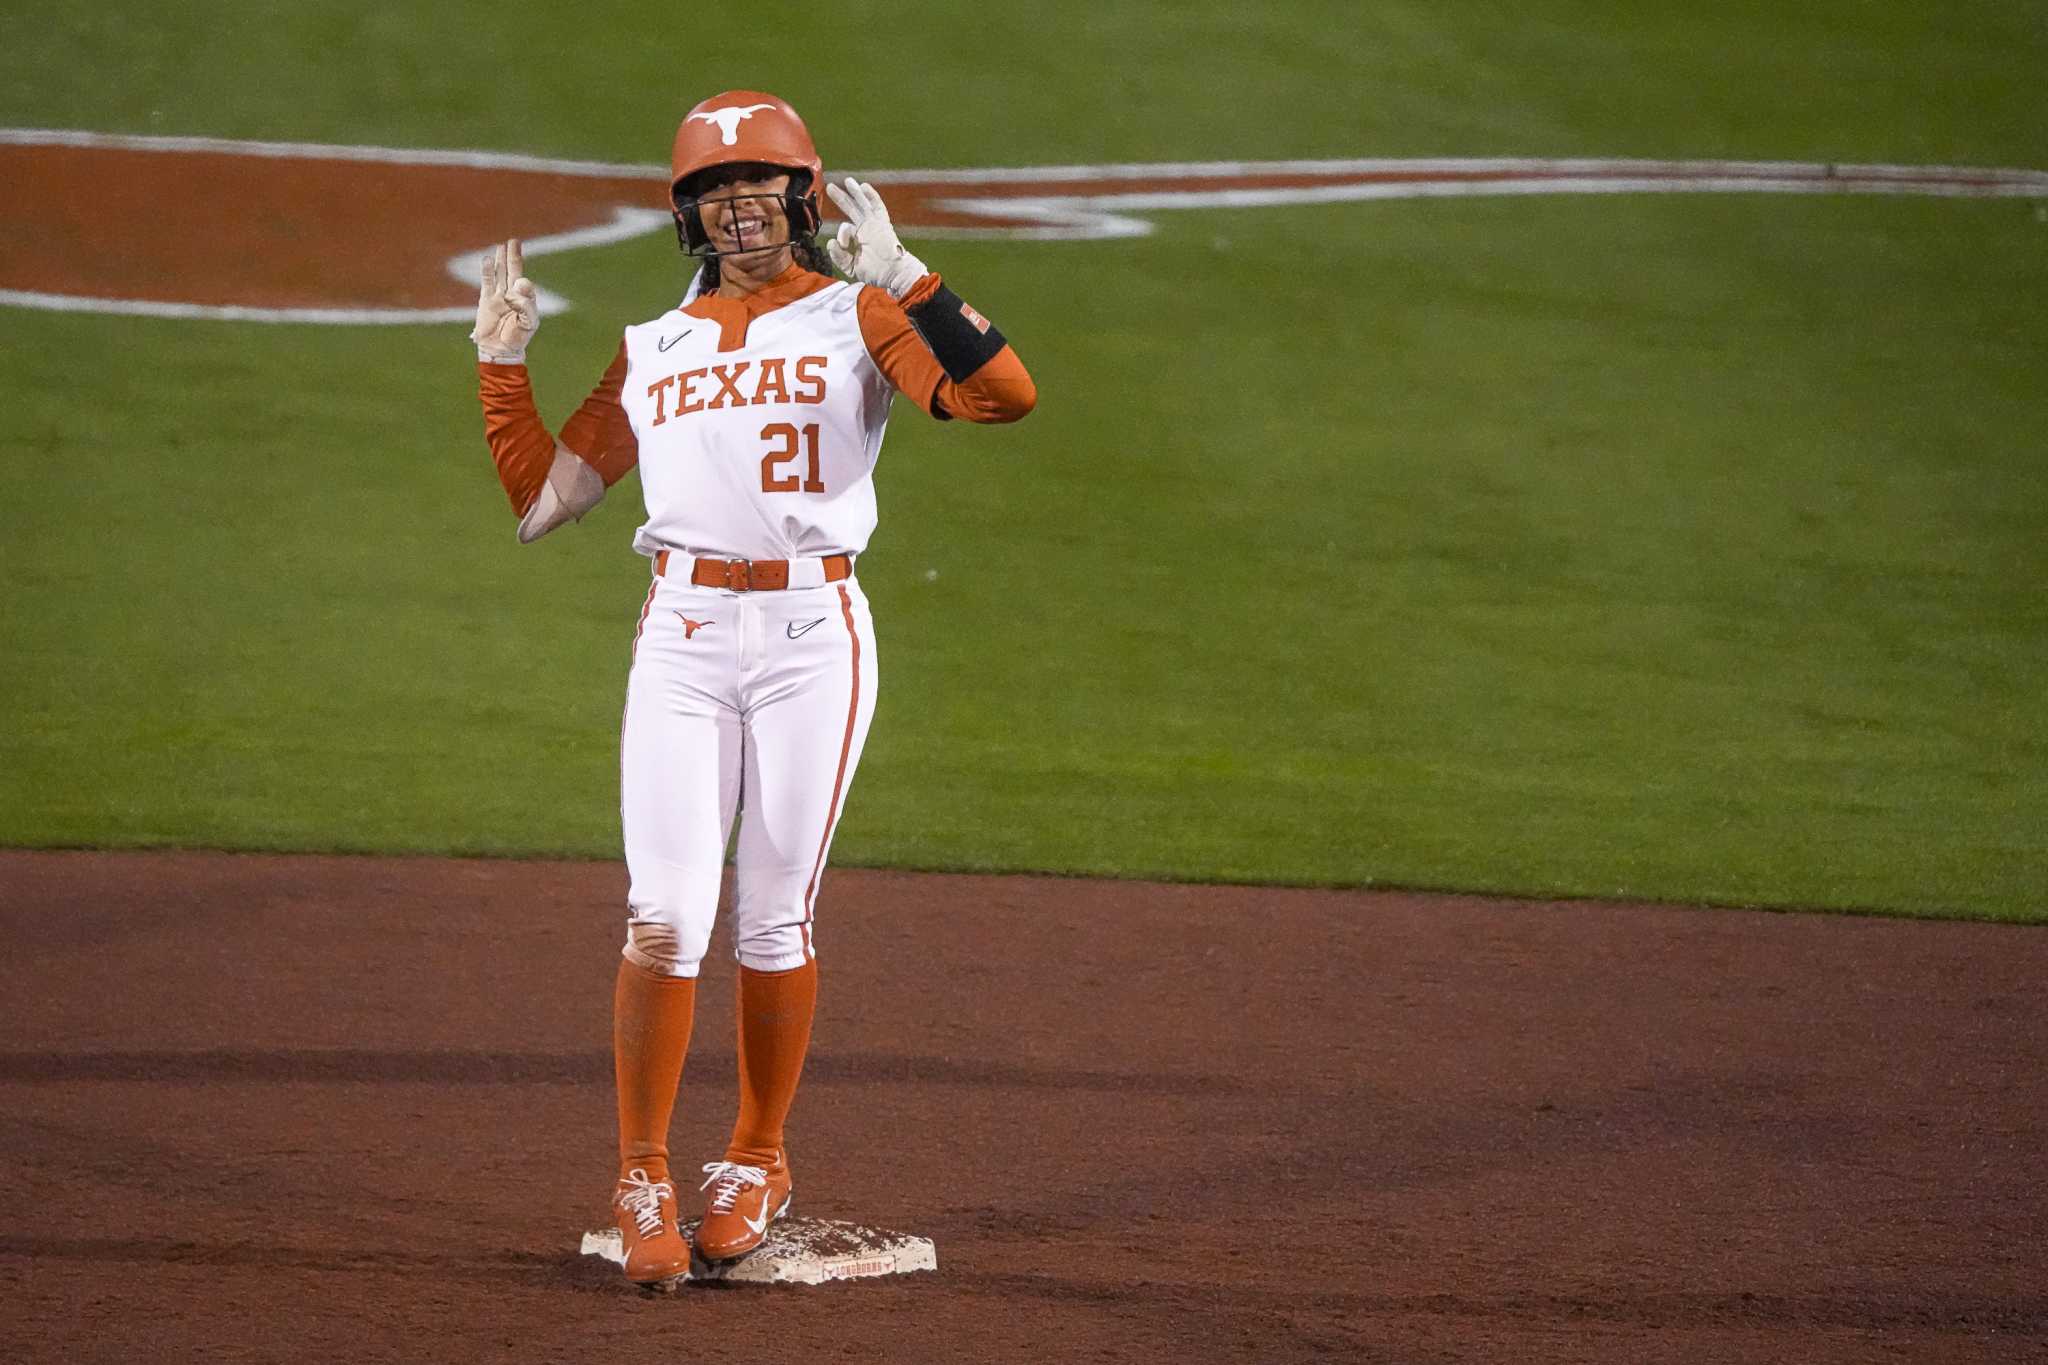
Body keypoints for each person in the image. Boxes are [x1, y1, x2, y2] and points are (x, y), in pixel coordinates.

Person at [467, 90, 1035, 1287]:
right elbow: (545, 500)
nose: (735, 205)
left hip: (808, 633)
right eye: (709, 191)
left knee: (774, 916)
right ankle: (640, 1173)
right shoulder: (653, 345)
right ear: (688, 214)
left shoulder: (855, 313)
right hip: (679, 631)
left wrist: (916, 279)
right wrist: (500, 361)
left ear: (802, 193)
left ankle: (756, 1156)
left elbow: (1001, 397)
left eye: (757, 183)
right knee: (663, 917)